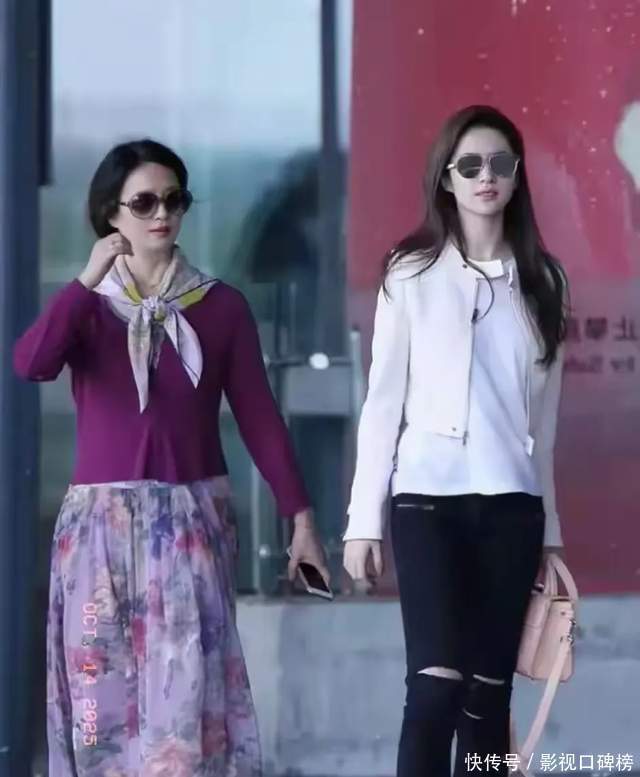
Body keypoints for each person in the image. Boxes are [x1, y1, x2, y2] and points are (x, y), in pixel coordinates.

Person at [14, 138, 329, 777]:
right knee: (98, 710)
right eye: (144, 202)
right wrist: (85, 281)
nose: (162, 213)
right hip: (97, 533)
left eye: (174, 200)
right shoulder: (88, 308)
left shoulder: (221, 307)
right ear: (111, 214)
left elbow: (260, 418)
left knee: (185, 710)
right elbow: (31, 363)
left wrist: (300, 517)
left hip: (188, 526)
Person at [342, 105, 568, 777]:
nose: (485, 176)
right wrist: (362, 523)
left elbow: (544, 428)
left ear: (517, 175)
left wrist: (551, 532)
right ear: (446, 178)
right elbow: (381, 405)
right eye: (469, 165)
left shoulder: (545, 282)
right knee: (435, 688)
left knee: (487, 697)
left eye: (499, 163)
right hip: (426, 502)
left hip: (512, 509)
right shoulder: (409, 273)